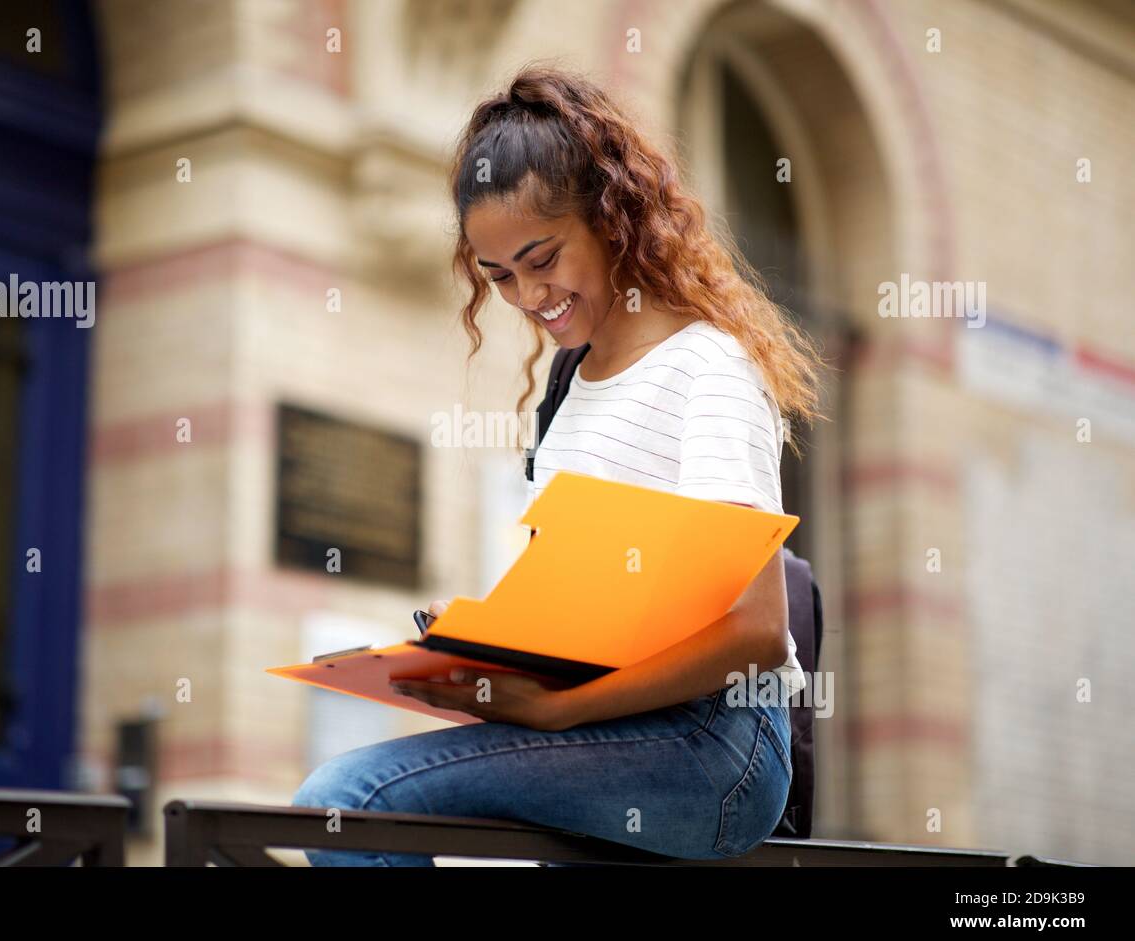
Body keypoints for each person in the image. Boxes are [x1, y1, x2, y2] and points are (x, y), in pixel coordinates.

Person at [291, 61, 827, 866]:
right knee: (347, 803)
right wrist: (479, 654)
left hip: (716, 748)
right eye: (498, 276)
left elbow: (754, 634)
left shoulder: (706, 367)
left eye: (543, 259)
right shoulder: (569, 386)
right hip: (614, 725)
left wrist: (558, 712)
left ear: (612, 219)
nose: (528, 296)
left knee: (345, 802)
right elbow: (587, 598)